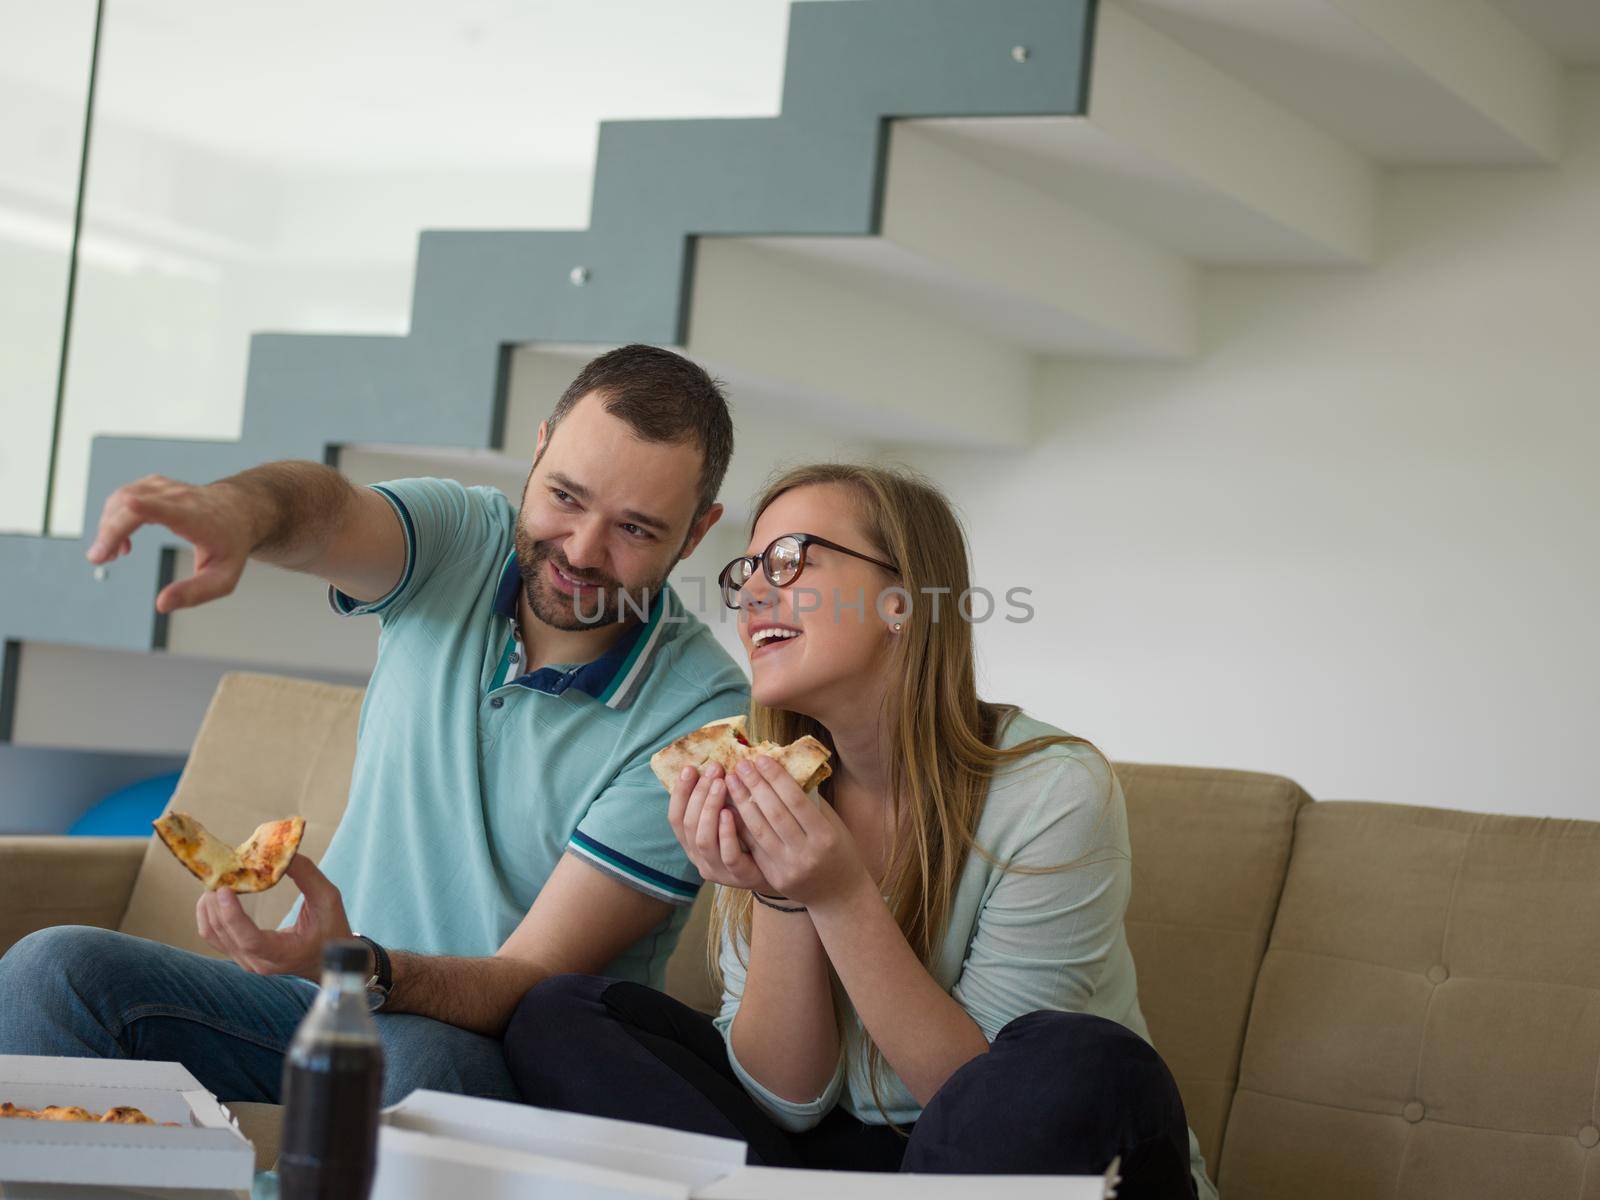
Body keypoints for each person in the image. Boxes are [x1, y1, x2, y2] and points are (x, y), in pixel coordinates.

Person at [0, 345, 749, 1106]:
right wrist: (240, 511)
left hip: (482, 1046)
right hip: (315, 998)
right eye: (564, 496)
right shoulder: (465, 541)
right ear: (541, 445)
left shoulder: (700, 715)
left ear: (695, 534)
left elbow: (525, 982)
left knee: (426, 1069)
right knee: (52, 974)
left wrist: (357, 963)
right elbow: (325, 513)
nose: (582, 551)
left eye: (636, 530)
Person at [502, 462, 1218, 1199]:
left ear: (903, 599)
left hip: (1022, 1158)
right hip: (840, 1167)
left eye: (788, 560)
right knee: (560, 1013)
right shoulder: (768, 777)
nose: (749, 591)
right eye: (748, 569)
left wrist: (838, 895)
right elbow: (787, 1103)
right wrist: (783, 898)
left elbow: (992, 1103)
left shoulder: (1052, 789)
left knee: (1082, 1057)